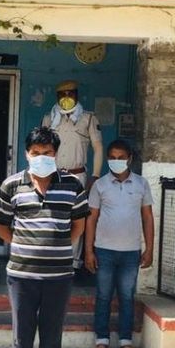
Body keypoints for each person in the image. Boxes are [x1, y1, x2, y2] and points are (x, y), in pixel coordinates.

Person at [0, 126, 89, 348]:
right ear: (26, 154)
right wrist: (26, 246)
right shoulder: (11, 185)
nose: (41, 157)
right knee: (22, 342)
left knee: (50, 342)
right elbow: (1, 227)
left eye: (47, 153)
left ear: (56, 154)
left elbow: (79, 225)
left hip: (59, 277)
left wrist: (55, 246)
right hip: (21, 276)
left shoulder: (72, 185)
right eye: (36, 153)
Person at [84, 140, 154, 348]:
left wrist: (149, 249)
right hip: (103, 250)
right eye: (112, 157)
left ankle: (126, 341)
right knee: (103, 296)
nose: (116, 161)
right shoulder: (100, 185)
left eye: (121, 157)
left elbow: (147, 217)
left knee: (126, 297)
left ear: (129, 159)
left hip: (131, 252)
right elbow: (91, 219)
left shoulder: (141, 184)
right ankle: (101, 341)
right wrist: (88, 251)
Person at [41, 80, 102, 269]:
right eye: (62, 94)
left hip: (77, 176)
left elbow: (98, 148)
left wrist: (95, 176)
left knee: (76, 219)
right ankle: (52, 260)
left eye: (70, 93)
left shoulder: (88, 118)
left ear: (77, 95)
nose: (66, 97)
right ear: (57, 97)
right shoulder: (49, 119)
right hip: (53, 176)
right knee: (52, 217)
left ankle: (72, 263)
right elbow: (42, 148)